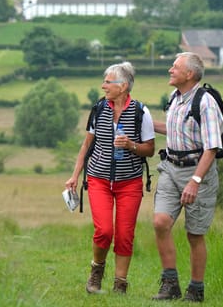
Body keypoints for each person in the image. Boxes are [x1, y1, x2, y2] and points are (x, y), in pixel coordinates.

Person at [65, 61, 156, 295]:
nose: (103, 86)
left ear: (123, 86)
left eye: (108, 82)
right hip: (99, 179)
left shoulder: (140, 112)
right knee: (104, 231)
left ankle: (120, 284)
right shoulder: (98, 109)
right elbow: (87, 145)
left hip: (130, 182)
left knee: (125, 234)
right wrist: (74, 176)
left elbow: (150, 149)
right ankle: (97, 271)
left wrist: (131, 145)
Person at [151, 52, 223, 303]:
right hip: (170, 167)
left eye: (175, 67)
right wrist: (141, 121)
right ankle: (170, 284)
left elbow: (212, 147)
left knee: (194, 234)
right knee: (161, 222)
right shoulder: (175, 98)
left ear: (189, 74)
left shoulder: (205, 103)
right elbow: (170, 129)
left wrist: (195, 181)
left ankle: (196, 290)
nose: (170, 70)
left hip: (197, 172)